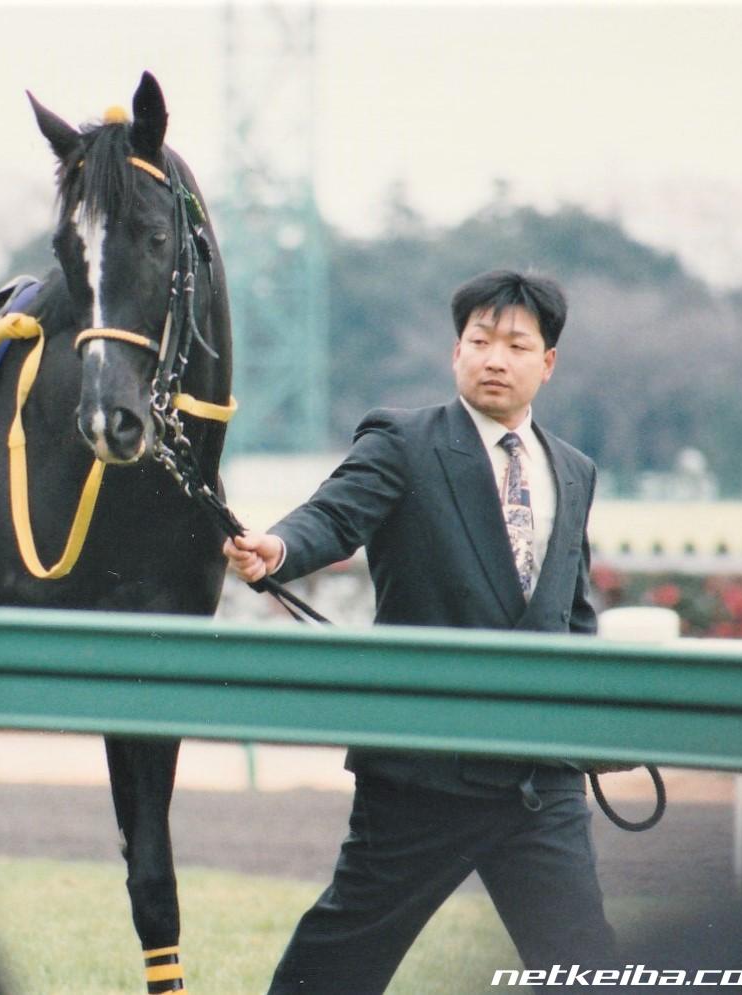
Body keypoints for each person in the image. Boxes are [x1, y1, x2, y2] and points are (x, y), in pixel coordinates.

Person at [224, 270, 616, 994]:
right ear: (455, 351)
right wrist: (278, 548)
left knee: (587, 967)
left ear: (547, 362)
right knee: (341, 959)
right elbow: (333, 516)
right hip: (423, 771)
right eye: (479, 341)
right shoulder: (403, 440)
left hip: (541, 781)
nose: (495, 357)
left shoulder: (575, 470)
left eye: (516, 344)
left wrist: (596, 723)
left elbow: (572, 611)